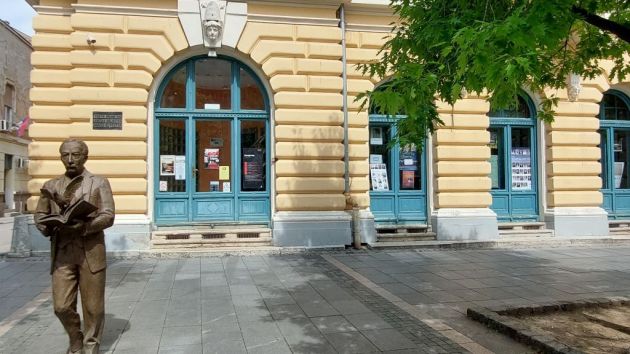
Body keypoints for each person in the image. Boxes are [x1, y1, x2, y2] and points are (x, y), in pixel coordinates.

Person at [34, 139, 115, 354]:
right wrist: (46, 227)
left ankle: (90, 347)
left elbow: (108, 215)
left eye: (75, 155)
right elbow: (40, 215)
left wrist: (85, 226)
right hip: (62, 252)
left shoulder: (99, 182)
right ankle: (75, 337)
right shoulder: (50, 186)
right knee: (61, 306)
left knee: (93, 308)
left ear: (85, 156)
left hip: (90, 252)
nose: (70, 160)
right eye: (65, 155)